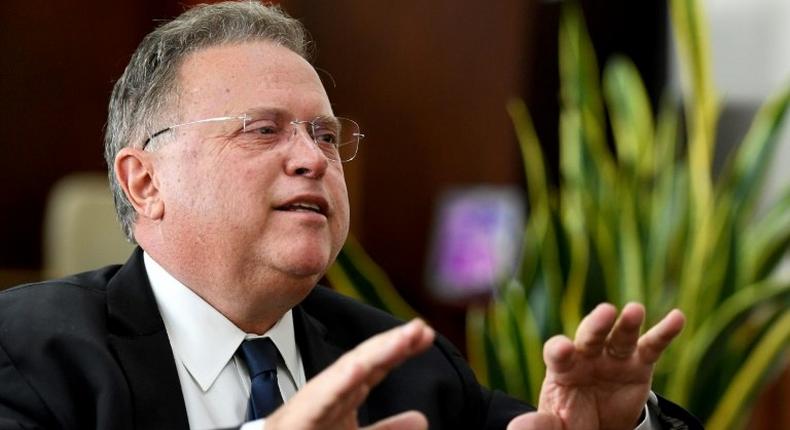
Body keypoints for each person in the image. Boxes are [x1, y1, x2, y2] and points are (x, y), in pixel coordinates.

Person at [0, 2, 702, 429]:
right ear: (145, 180)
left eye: (326, 136)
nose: (312, 160)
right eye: (263, 130)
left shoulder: (409, 366)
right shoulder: (26, 354)